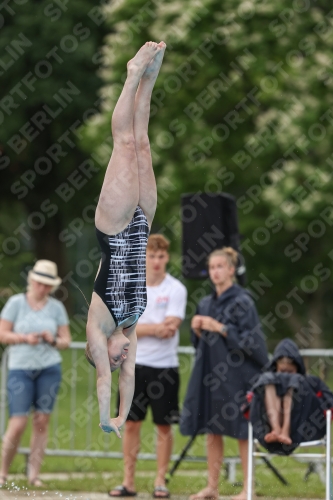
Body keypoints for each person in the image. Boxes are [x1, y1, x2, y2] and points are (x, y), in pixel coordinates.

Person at [84, 41, 167, 437]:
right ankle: (150, 79)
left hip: (114, 229)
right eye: (121, 361)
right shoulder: (130, 326)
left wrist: (104, 417)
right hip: (142, 226)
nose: (122, 360)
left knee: (126, 144)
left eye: (116, 360)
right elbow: (127, 378)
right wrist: (122, 416)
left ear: (100, 353)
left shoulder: (99, 331)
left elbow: (106, 378)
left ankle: (133, 72)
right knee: (144, 142)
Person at [180, 247, 269, 500]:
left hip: (238, 377)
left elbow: (254, 344)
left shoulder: (243, 301)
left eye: (220, 266)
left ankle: (247, 488)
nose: (215, 272)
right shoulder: (206, 303)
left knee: (243, 431)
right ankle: (212, 487)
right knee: (212, 428)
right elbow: (199, 345)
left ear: (231, 270)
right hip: (210, 376)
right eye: (212, 267)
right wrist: (197, 330)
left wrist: (221, 327)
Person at [109, 234, 187, 498]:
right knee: (130, 424)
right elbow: (122, 328)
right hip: (134, 366)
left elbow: (172, 326)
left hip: (164, 367)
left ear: (167, 258)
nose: (156, 261)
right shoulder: (131, 287)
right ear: (143, 257)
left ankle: (160, 480)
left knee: (163, 426)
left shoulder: (176, 288)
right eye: (151, 256)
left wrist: (141, 329)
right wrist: (153, 328)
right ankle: (128, 480)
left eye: (161, 256)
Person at [0, 259, 71, 487]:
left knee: (41, 420)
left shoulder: (56, 308)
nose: (43, 288)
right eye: (40, 283)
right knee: (18, 421)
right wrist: (23, 338)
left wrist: (53, 340)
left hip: (49, 368)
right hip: (20, 368)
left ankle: (34, 474)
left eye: (48, 285)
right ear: (32, 281)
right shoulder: (15, 303)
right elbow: (3, 334)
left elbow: (66, 341)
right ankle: (3, 471)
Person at [247, 338, 333, 455]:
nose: (285, 375)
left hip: (303, 428)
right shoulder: (266, 380)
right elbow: (250, 403)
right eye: (282, 371)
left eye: (289, 371)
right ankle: (276, 429)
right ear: (276, 367)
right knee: (267, 380)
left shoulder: (311, 381)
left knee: (295, 381)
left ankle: (285, 431)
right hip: (267, 430)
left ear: (297, 367)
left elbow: (329, 402)